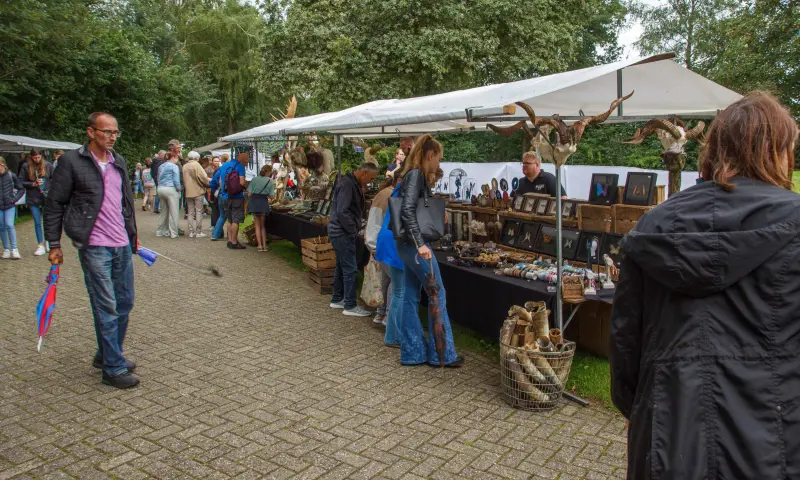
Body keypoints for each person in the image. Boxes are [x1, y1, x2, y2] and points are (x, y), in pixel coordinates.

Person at [610, 92, 800, 479]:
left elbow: (625, 347)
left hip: (670, 433)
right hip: (772, 437)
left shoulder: (654, 225)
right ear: (778, 149)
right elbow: (627, 339)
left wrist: (639, 408)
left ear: (714, 149)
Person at [44, 112, 139, 389]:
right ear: (90, 132)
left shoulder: (118, 161)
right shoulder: (71, 162)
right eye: (106, 132)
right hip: (94, 245)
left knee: (125, 303)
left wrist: (133, 236)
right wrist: (54, 244)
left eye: (115, 132)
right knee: (106, 306)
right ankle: (112, 368)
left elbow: (126, 204)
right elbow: (54, 204)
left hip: (121, 243)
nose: (111, 137)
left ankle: (107, 354)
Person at [395, 134, 463, 367]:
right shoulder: (415, 175)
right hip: (415, 245)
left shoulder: (413, 175)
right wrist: (420, 244)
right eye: (439, 159)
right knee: (437, 292)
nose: (439, 165)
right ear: (430, 155)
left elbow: (410, 208)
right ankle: (442, 353)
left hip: (406, 244)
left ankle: (414, 352)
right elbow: (407, 211)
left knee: (411, 295)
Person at [327, 163, 379, 316]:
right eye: (370, 178)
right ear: (363, 172)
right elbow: (343, 211)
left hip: (340, 230)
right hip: (342, 231)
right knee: (349, 268)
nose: (370, 182)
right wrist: (353, 229)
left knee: (342, 266)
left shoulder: (350, 183)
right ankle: (349, 305)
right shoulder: (348, 184)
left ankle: (338, 299)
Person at [372, 175, 406, 347]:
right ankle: (393, 333)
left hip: (384, 241)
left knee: (390, 283)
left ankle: (383, 316)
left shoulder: (396, 191)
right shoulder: (409, 189)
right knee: (398, 290)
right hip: (393, 243)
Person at [366, 177, 396, 325]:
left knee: (385, 280)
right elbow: (376, 222)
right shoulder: (390, 195)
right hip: (384, 244)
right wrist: (373, 246)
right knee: (393, 280)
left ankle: (380, 313)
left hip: (380, 243)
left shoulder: (384, 193)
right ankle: (387, 315)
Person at [19, 148, 54, 256]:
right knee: (37, 222)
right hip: (32, 197)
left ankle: (48, 241)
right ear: (31, 157)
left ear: (41, 156)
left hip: (45, 196)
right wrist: (32, 184)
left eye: (38, 157)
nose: (37, 159)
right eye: (34, 157)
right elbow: (20, 181)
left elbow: (56, 179)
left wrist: (49, 188)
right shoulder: (26, 166)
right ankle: (40, 244)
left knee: (47, 221)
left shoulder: (48, 165)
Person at [209, 152, 249, 249]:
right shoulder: (240, 166)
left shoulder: (224, 166)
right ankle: (234, 242)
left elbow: (215, 181)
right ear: (241, 156)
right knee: (236, 220)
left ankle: (230, 240)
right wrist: (247, 186)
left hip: (224, 196)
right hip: (236, 196)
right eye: (247, 157)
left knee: (229, 219)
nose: (247, 159)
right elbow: (242, 182)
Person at [0, 157, 25, 259]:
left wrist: (14, 199)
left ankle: (14, 249)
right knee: (1, 227)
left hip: (9, 204)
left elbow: (21, 189)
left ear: (3, 165)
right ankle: (6, 249)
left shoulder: (11, 175)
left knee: (9, 225)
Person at [247, 164, 275, 252]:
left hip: (254, 202)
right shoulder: (270, 181)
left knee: (257, 225)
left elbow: (249, 194)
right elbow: (272, 197)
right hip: (263, 202)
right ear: (269, 172)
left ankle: (259, 246)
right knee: (263, 226)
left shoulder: (254, 179)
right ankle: (265, 246)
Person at [182, 151, 209, 238]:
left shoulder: (185, 166)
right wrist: (206, 184)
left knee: (190, 212)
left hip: (188, 191)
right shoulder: (197, 165)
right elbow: (204, 177)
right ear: (197, 158)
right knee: (198, 211)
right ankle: (198, 231)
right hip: (198, 191)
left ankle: (190, 231)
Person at [156, 152, 182, 238]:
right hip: (170, 188)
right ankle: (174, 232)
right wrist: (178, 189)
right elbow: (176, 179)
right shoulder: (174, 166)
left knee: (163, 211)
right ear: (173, 158)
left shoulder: (161, 166)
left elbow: (158, 177)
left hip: (160, 188)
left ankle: (161, 231)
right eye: (177, 158)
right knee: (173, 212)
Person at [209, 153, 230, 241]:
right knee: (231, 217)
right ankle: (231, 236)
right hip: (230, 195)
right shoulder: (231, 169)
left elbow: (212, 183)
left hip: (220, 194)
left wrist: (216, 191)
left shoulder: (220, 170)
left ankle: (215, 234)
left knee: (222, 215)